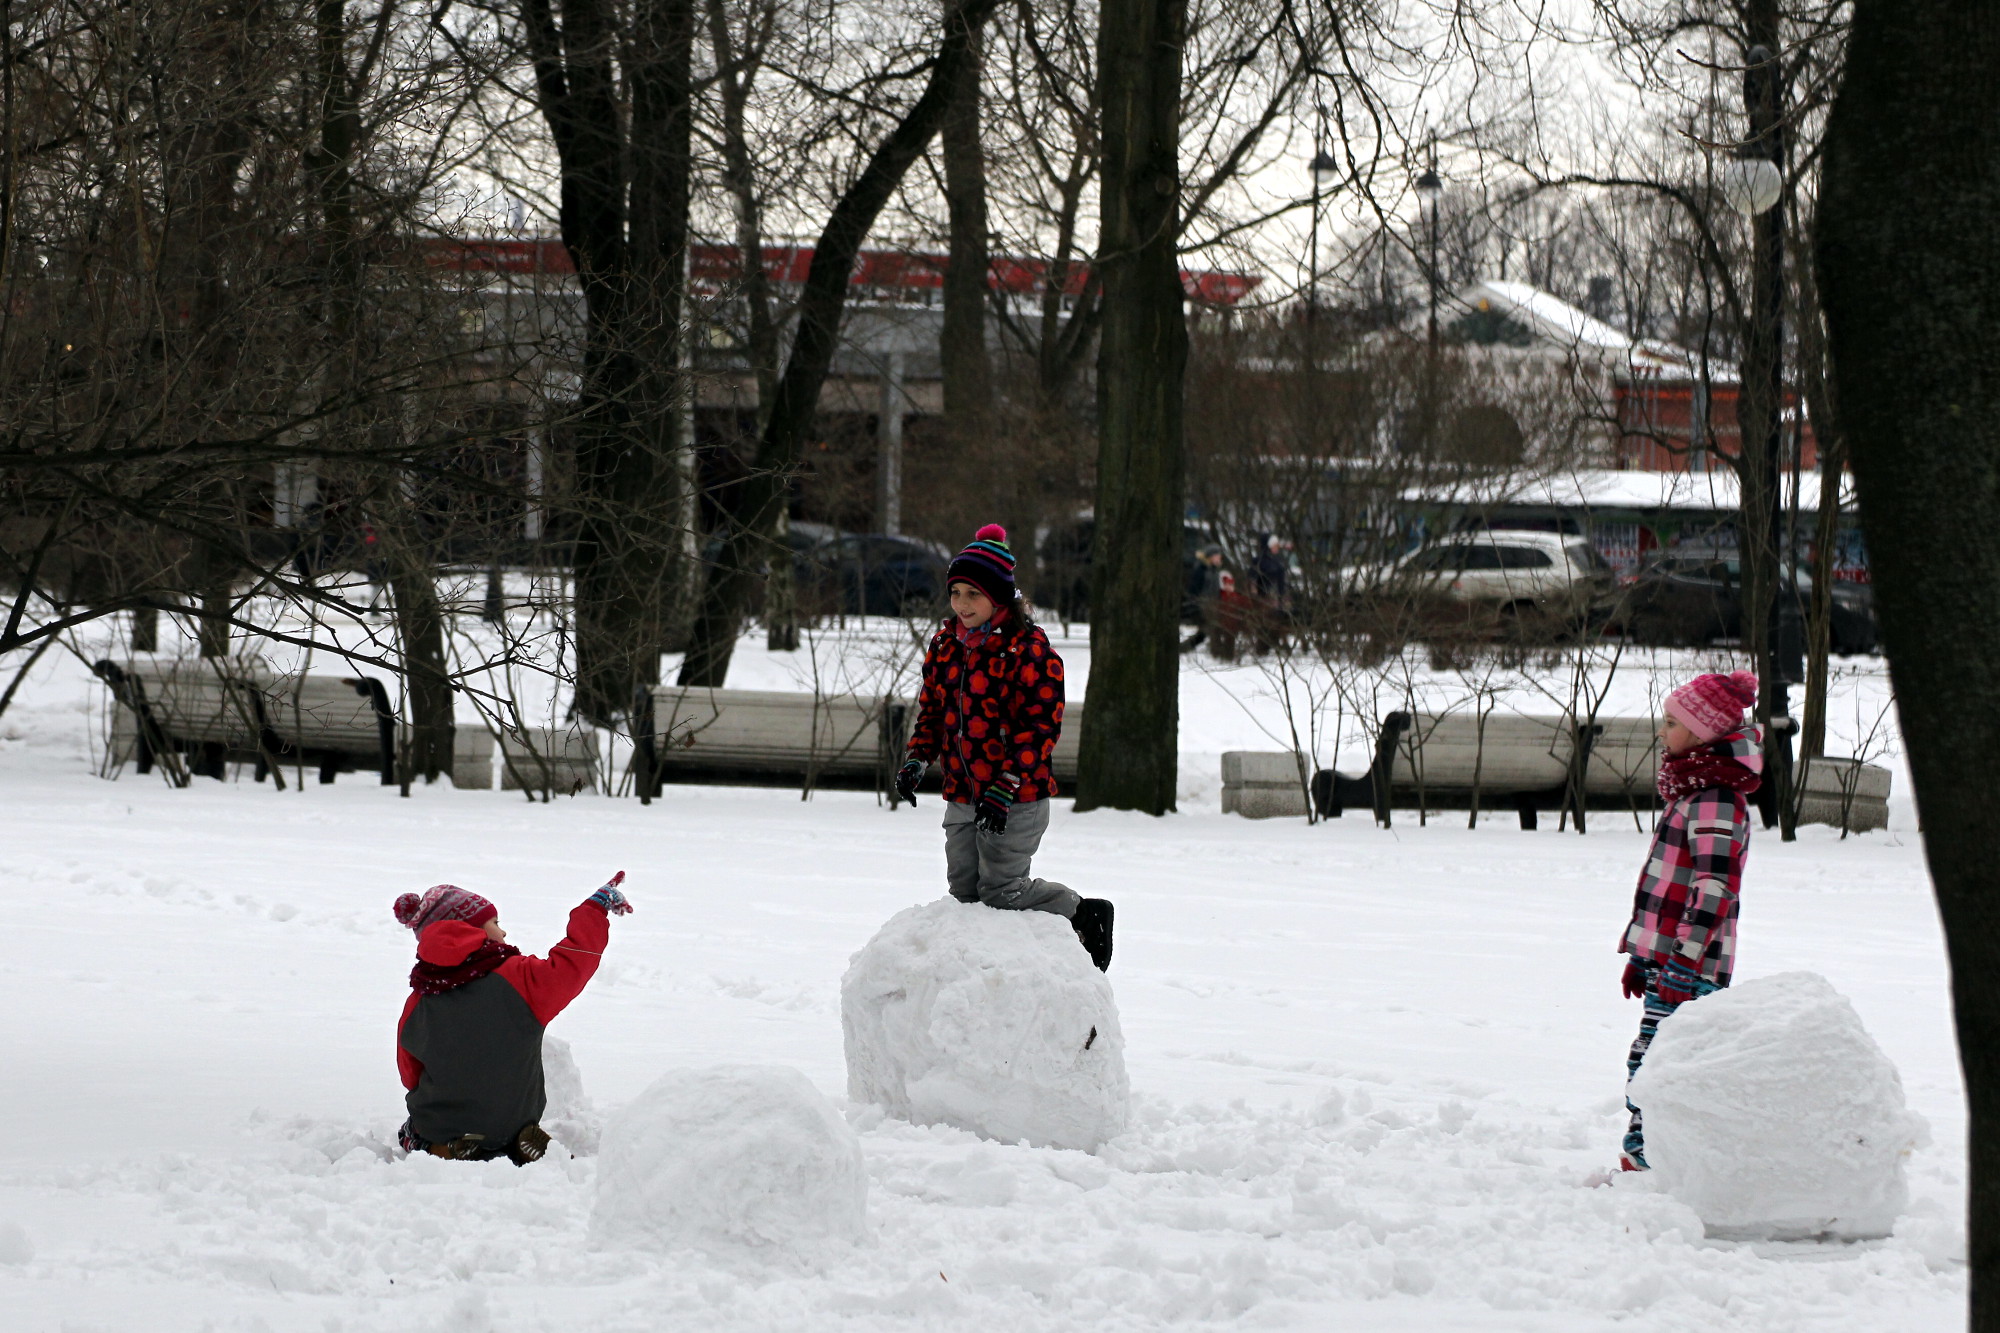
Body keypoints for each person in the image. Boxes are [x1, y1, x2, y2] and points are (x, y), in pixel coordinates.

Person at [895, 524, 1115, 970]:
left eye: (972, 594)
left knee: (1002, 892)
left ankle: (1084, 913)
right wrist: (919, 757)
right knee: (965, 890)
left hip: (1018, 795)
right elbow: (933, 712)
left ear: (998, 597)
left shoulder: (1030, 652)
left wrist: (1006, 784)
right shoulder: (945, 646)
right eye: (955, 592)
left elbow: (1039, 728)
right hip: (963, 790)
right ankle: (986, 971)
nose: (961, 604)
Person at [1616, 670, 1762, 1171]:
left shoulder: (1716, 799)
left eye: (1672, 722)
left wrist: (1682, 960)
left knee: (1659, 1067)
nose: (1663, 731)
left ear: (1704, 734)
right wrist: (1643, 955)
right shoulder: (1695, 793)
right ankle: (1648, 1160)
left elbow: (1714, 887)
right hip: (1669, 963)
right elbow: (1666, 888)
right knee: (1653, 1059)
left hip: (1690, 969)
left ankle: (1652, 1163)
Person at [393, 875, 632, 1163]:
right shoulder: (520, 978)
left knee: (421, 1122)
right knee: (507, 1114)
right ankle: (520, 1139)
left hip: (443, 1124)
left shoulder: (419, 1000)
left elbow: (409, 1073)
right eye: (494, 923)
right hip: (513, 1121)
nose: (503, 932)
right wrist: (593, 910)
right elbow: (574, 961)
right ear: (468, 929)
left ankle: (445, 1145)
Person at [1181, 544, 1229, 656]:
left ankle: (1218, 653)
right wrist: (1195, 605)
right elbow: (1194, 590)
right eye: (1217, 555)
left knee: (1209, 631)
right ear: (1211, 556)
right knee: (1207, 631)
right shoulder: (1201, 570)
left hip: (1213, 605)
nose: (1219, 558)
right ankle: (1182, 649)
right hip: (1203, 606)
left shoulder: (1214, 570)